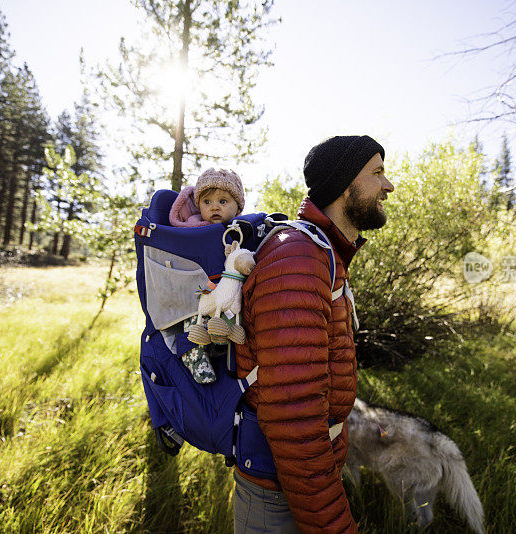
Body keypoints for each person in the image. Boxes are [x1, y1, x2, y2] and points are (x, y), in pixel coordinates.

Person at [234, 135, 394, 534]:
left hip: (296, 481)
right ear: (344, 186)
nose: (389, 186)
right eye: (377, 173)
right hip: (278, 488)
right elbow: (295, 421)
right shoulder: (298, 260)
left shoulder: (323, 254)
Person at [169, 168, 246, 383]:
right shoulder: (193, 227)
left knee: (233, 319)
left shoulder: (241, 230)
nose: (214, 207)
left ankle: (225, 350)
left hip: (230, 295)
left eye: (223, 201)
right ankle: (195, 359)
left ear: (237, 207)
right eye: (207, 202)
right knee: (193, 319)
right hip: (202, 291)